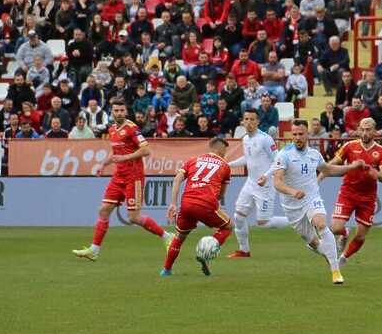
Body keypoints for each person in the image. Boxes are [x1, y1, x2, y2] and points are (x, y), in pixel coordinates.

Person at [72, 98, 174, 261]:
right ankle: (94, 250)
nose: (119, 113)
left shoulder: (132, 128)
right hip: (118, 176)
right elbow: (116, 153)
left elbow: (146, 150)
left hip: (134, 177)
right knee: (104, 210)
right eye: (116, 110)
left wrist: (126, 157)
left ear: (125, 111)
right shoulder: (112, 129)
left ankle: (166, 236)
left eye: (122, 110)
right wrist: (103, 165)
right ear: (111, 112)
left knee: (134, 217)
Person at [273, 120, 366, 285]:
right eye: (294, 134)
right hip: (292, 206)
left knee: (321, 224)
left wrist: (351, 167)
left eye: (301, 134)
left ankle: (335, 272)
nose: (297, 137)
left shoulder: (314, 154)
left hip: (311, 197)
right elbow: (277, 182)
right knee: (316, 244)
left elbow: (328, 169)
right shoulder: (284, 155)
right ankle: (320, 248)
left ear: (307, 134)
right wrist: (293, 192)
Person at [161, 137, 234, 277]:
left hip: (187, 203)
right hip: (207, 202)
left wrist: (173, 203)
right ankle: (206, 252)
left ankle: (166, 270)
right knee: (228, 227)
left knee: (179, 237)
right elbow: (221, 194)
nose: (225, 153)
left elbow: (177, 179)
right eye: (225, 150)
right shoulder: (225, 166)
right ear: (219, 149)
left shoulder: (193, 160)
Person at [226, 108, 288, 258]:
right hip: (251, 183)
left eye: (252, 119)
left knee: (263, 222)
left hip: (265, 185)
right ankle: (244, 250)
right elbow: (247, 159)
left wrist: (266, 176)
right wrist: (228, 164)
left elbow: (278, 161)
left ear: (258, 121)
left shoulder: (265, 139)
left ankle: (297, 219)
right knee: (239, 216)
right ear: (242, 121)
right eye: (246, 119)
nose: (249, 122)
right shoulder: (245, 139)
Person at [326, 118, 382, 265]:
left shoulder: (381, 151)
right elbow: (333, 163)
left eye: (368, 130)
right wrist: (322, 169)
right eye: (362, 129)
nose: (365, 133)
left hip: (367, 198)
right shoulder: (349, 146)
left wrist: (375, 173)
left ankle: (344, 257)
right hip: (348, 192)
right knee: (335, 228)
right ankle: (344, 232)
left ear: (374, 131)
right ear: (359, 130)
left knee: (360, 235)